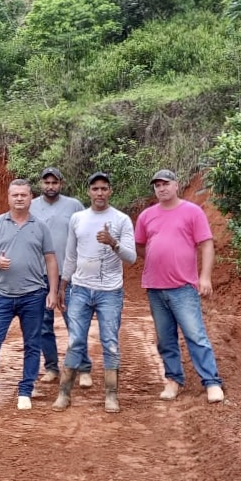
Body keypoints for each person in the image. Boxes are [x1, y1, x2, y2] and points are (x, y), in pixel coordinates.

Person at [135, 169, 225, 404]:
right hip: (155, 287)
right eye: (157, 185)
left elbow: (206, 245)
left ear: (176, 185)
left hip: (183, 287)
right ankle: (173, 380)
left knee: (195, 335)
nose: (161, 188)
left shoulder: (192, 212)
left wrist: (204, 277)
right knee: (165, 338)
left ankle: (212, 382)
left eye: (166, 184)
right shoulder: (146, 216)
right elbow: (141, 246)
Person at [0, 179, 59, 412]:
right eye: (15, 195)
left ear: (31, 198)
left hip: (34, 295)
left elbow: (51, 259)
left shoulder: (40, 227)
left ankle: (25, 391)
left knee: (32, 344)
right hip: (1, 294)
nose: (19, 198)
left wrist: (52, 291)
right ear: (8, 197)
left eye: (24, 195)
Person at [56, 172, 137, 413]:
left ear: (110, 191)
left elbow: (131, 258)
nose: (99, 193)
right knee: (75, 341)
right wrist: (63, 286)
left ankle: (111, 395)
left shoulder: (121, 220)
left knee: (110, 342)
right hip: (80, 289)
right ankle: (64, 393)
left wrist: (113, 242)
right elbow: (71, 255)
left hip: (110, 291)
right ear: (88, 191)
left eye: (104, 188)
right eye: (95, 189)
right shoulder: (78, 218)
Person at [30, 167, 88, 386]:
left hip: (69, 275)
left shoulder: (74, 206)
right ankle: (52, 367)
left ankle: (83, 368)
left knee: (74, 321)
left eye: (54, 182)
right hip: (38, 274)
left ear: (61, 184)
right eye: (47, 182)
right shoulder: (31, 206)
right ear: (41, 184)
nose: (50, 186)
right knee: (43, 324)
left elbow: (84, 234)